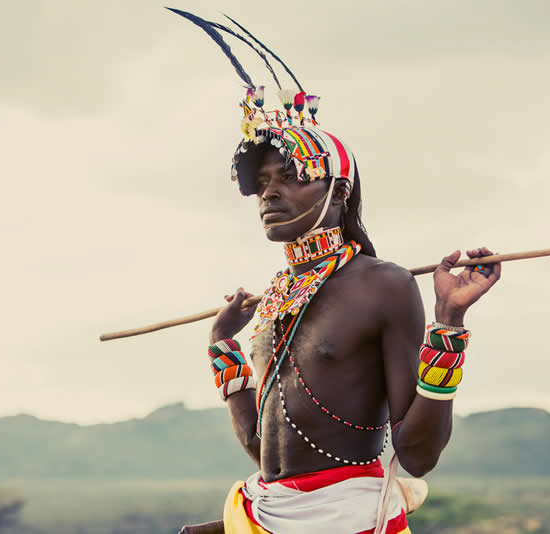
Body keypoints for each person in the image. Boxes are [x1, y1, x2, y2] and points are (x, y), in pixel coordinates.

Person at [168, 9, 501, 533]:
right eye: (262, 182)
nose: (270, 192)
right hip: (267, 510)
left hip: (347, 518)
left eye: (291, 176)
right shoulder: (277, 296)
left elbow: (417, 454)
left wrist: (448, 323)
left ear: (338, 192)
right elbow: (264, 454)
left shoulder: (382, 285)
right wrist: (224, 351)